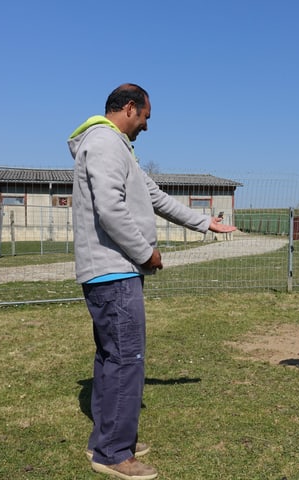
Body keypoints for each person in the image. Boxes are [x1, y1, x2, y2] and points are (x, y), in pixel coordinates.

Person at [68, 83, 236, 480]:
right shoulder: (106, 145)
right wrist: (146, 253)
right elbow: (110, 208)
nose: (146, 126)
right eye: (145, 117)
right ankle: (113, 453)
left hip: (112, 270)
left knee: (112, 358)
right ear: (130, 108)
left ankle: (106, 439)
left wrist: (203, 221)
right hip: (115, 269)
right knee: (126, 360)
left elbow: (154, 195)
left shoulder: (115, 147)